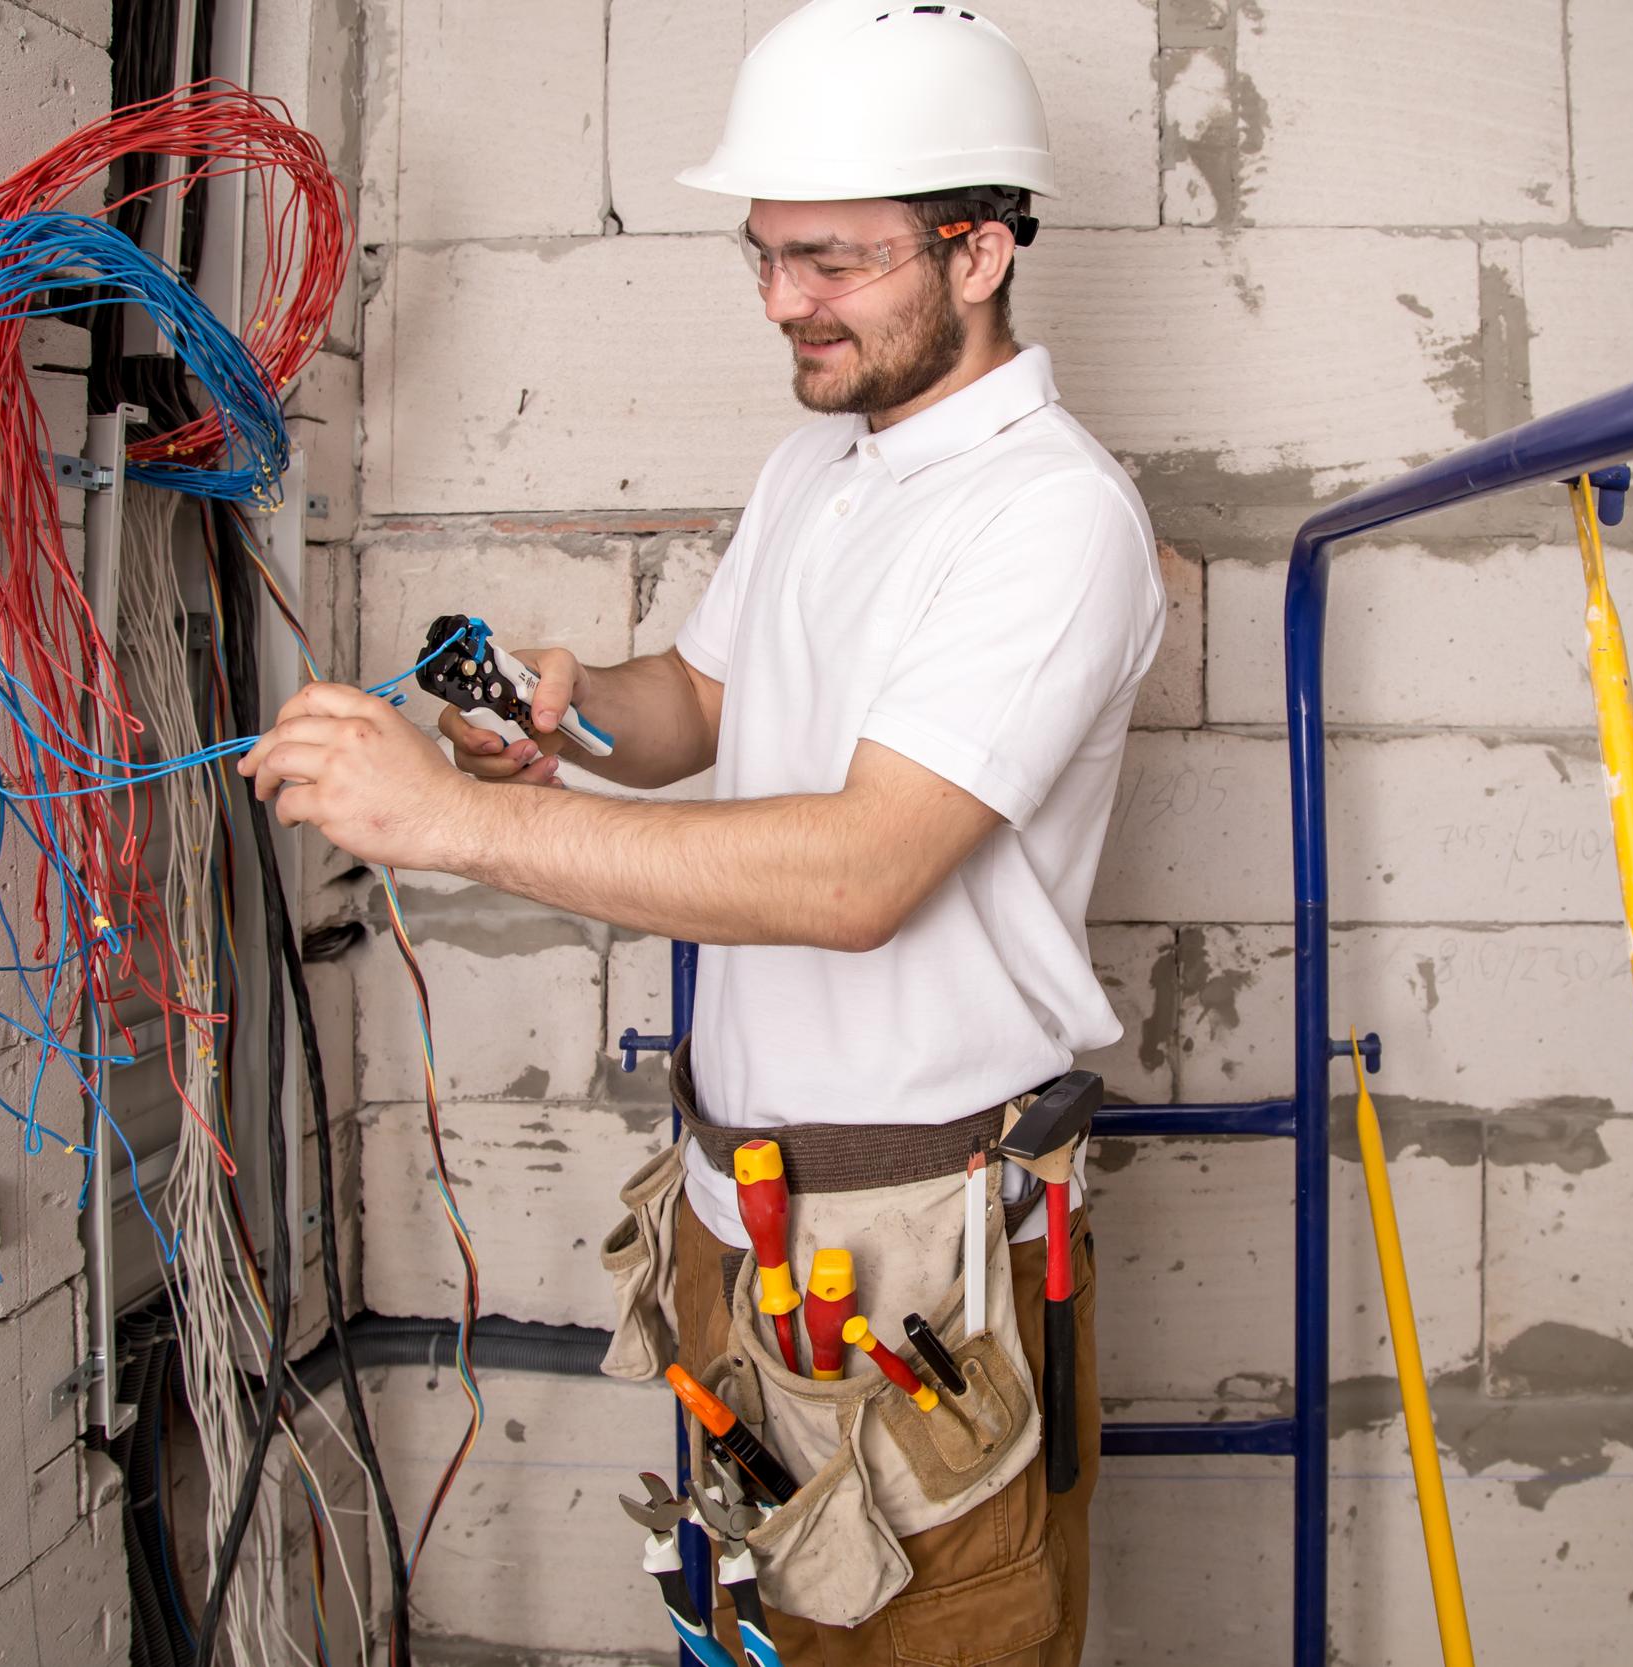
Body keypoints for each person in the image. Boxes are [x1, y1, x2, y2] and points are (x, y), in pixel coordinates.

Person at [239, 2, 1163, 1658]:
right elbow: (705, 711)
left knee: (930, 1630)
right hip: (751, 1221)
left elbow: (859, 872)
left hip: (920, 1256)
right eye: (763, 257)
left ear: (980, 252)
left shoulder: (1053, 521)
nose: (782, 303)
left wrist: (449, 821)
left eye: (830, 262)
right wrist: (572, 706)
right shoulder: (826, 466)